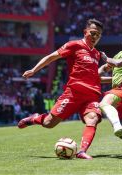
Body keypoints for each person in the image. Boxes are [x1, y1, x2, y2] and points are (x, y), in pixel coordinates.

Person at [17, 19, 104, 159]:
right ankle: (34, 118)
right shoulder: (74, 45)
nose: (95, 37)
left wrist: (115, 80)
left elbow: (94, 77)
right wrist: (34, 70)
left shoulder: (97, 54)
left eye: (98, 35)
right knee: (48, 123)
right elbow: (52, 57)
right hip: (73, 93)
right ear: (85, 32)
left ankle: (82, 151)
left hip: (92, 95)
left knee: (92, 119)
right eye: (93, 33)